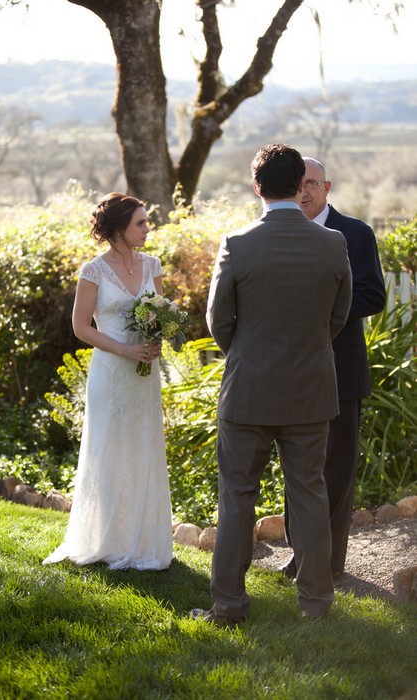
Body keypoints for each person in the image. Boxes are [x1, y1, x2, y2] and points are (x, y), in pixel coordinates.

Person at [190, 143, 352, 624]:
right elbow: (337, 317)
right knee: (309, 494)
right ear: (300, 186)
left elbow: (218, 321)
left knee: (237, 496)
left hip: (249, 391)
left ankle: (228, 604)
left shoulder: (237, 244)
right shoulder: (333, 243)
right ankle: (316, 605)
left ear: (257, 186)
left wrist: (250, 352)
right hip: (310, 389)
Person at [43, 192, 173, 570]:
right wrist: (124, 349)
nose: (148, 228)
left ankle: (145, 540)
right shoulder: (93, 270)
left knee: (143, 447)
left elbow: (161, 315)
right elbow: (81, 327)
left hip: (144, 375)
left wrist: (156, 341)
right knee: (109, 449)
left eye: (147, 222)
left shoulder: (153, 265)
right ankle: (106, 538)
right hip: (111, 374)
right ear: (119, 228)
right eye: (141, 223)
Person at [279, 157, 386, 580]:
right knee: (296, 465)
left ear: (328, 187)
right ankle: (299, 553)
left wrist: (319, 315)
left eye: (311, 183)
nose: (303, 191)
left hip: (341, 368)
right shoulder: (280, 231)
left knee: (336, 469)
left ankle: (330, 561)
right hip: (289, 371)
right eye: (297, 184)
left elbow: (373, 296)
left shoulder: (355, 234)